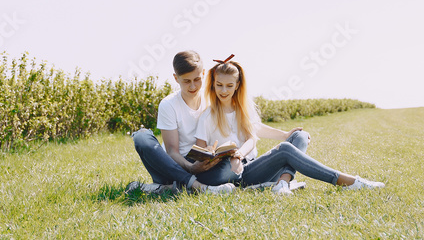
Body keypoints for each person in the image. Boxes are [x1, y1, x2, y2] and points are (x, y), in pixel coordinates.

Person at [193, 54, 384, 193]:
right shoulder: (207, 116)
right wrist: (210, 154)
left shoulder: (243, 109)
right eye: (219, 85)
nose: (223, 90)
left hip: (249, 165)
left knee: (299, 136)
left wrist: (241, 153)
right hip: (229, 172)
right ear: (213, 85)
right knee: (284, 149)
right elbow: (200, 153)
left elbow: (252, 136)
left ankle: (282, 183)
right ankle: (348, 181)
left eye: (229, 85)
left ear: (237, 86)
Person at [129, 50, 306, 195]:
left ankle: (171, 188)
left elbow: (248, 125)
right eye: (186, 81)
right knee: (142, 137)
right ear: (176, 79)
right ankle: (196, 187)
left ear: (204, 74)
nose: (192, 86)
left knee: (230, 167)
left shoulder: (213, 98)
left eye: (197, 80)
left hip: (209, 164)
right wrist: (191, 168)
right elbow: (172, 151)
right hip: (177, 166)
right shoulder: (168, 105)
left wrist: (283, 135)